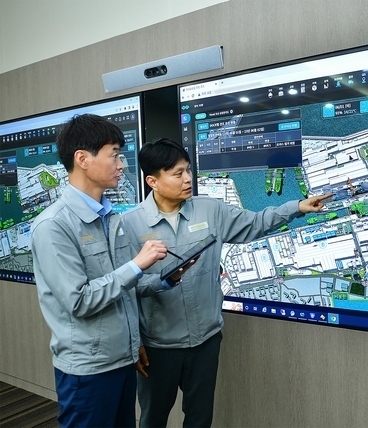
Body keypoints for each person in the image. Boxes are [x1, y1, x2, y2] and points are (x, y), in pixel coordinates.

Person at [120, 138, 331, 428]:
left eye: (188, 170)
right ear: (152, 181)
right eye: (178, 173)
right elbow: (127, 288)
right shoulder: (129, 225)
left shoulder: (210, 210)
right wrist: (136, 340)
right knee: (153, 419)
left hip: (205, 341)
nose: (188, 179)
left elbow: (255, 223)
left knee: (200, 419)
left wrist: (297, 207)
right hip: (158, 347)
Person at [31, 114, 170, 428]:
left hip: (122, 360)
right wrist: (137, 264)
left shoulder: (111, 218)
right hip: (88, 370)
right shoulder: (53, 226)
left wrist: (163, 280)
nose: (122, 165)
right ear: (82, 159)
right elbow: (79, 301)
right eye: (115, 155)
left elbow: (121, 287)